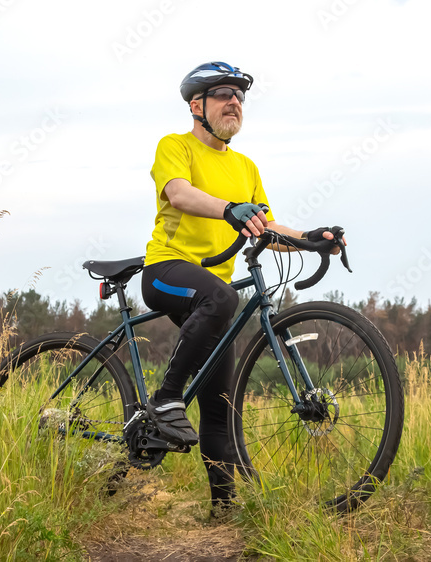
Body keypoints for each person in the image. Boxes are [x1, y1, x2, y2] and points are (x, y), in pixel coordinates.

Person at [140, 61, 342, 516]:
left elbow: (266, 227)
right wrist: (230, 209)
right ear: (197, 106)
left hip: (213, 292)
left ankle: (224, 509)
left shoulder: (246, 166)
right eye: (223, 93)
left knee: (220, 405)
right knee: (224, 297)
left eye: (240, 96)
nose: (235, 101)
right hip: (166, 271)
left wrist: (313, 241)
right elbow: (179, 194)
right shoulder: (175, 146)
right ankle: (166, 400)